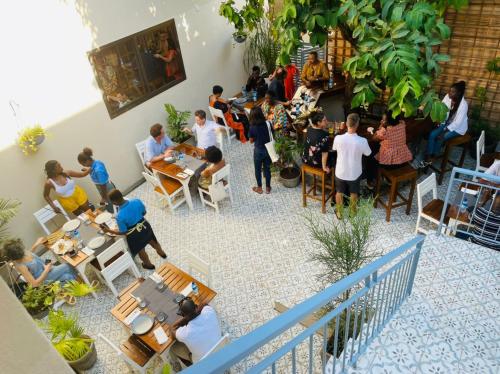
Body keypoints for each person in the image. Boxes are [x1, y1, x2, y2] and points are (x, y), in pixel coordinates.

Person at [99, 189, 166, 270]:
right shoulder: (136, 201)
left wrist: (108, 230)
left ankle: (148, 265)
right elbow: (144, 212)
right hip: (144, 225)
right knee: (152, 240)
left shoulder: (119, 216)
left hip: (134, 234)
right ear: (121, 195)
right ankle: (162, 253)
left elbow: (124, 232)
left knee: (141, 250)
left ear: (114, 203)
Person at [332, 113, 371, 215]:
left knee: (339, 192)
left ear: (346, 124)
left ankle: (339, 213)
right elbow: (368, 153)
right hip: (354, 173)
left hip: (340, 171)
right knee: (354, 192)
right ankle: (352, 212)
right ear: (357, 124)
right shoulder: (362, 141)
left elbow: (334, 149)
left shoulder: (338, 138)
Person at [423, 81, 468, 165]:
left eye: (453, 92)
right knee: (432, 134)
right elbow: (442, 109)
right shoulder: (447, 97)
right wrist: (439, 120)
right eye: (450, 90)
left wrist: (444, 130)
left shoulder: (463, 105)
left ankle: (434, 156)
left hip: (457, 128)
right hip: (446, 122)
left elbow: (457, 123)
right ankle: (429, 155)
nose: (450, 93)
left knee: (441, 137)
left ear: (459, 93)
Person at [169, 298, 222, 369]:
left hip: (203, 363)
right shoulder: (209, 312)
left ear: (182, 315)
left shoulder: (185, 333)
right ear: (196, 307)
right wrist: (194, 313)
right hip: (220, 350)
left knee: (173, 348)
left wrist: (186, 317)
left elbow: (172, 329)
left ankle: (186, 367)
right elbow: (204, 302)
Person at [366, 113, 413, 188]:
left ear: (389, 122)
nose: (381, 120)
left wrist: (381, 126)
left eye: (384, 120)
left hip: (390, 163)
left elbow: (374, 138)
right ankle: (388, 179)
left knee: (370, 159)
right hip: (402, 158)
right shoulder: (402, 124)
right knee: (378, 149)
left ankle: (372, 181)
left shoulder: (385, 130)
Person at [3, 238, 76, 286]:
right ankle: (70, 283)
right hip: (43, 278)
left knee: (68, 276)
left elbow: (29, 253)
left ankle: (69, 284)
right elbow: (34, 284)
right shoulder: (20, 265)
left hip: (48, 269)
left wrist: (36, 244)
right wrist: (46, 270)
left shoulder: (22, 252)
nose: (23, 248)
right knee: (67, 266)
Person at [77, 148, 115, 213]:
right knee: (111, 202)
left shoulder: (98, 170)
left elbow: (102, 184)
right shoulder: (97, 163)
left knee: (111, 205)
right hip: (106, 186)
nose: (83, 165)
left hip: (105, 188)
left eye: (83, 164)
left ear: (87, 161)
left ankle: (114, 216)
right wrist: (89, 170)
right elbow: (94, 170)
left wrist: (104, 197)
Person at [248, 107, 273, 194]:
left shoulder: (252, 127)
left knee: (257, 169)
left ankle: (259, 188)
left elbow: (251, 141)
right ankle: (268, 188)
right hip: (268, 149)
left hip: (258, 150)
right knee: (267, 168)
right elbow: (272, 133)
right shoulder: (268, 123)